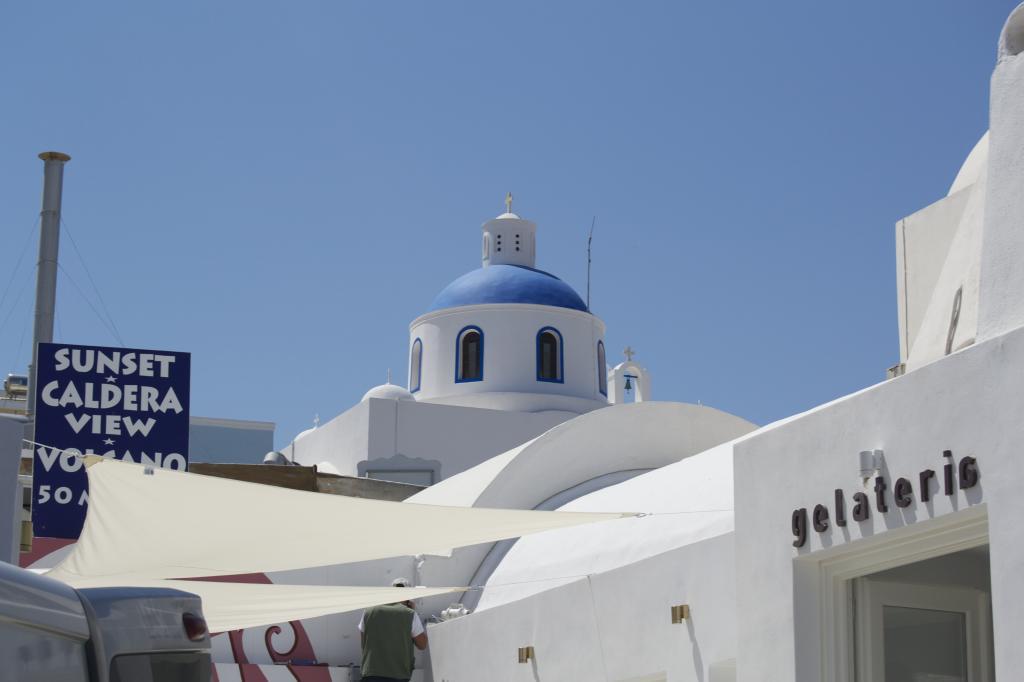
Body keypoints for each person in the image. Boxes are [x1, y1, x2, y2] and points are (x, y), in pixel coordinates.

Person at [358, 577, 428, 682]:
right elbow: (422, 644)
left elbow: (364, 644)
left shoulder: (368, 611)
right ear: (408, 596)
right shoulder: (410, 614)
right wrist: (414, 611)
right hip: (397, 675)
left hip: (370, 674)